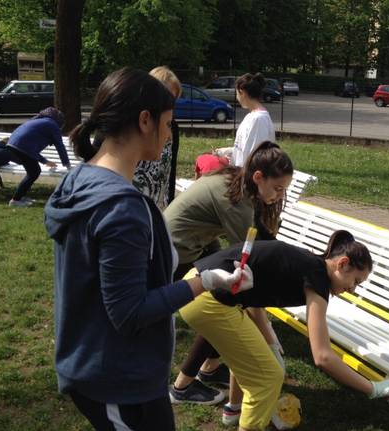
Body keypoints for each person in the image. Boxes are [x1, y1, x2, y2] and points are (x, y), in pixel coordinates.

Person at [43, 67, 252, 431]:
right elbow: (129, 312)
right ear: (145, 120)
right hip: (115, 379)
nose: (169, 134)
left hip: (116, 369)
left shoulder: (82, 177)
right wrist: (204, 282)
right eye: (168, 123)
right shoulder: (120, 207)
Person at [179, 230, 389, 431]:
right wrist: (373, 388)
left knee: (253, 357)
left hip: (196, 284)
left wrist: (269, 339)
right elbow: (322, 357)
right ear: (343, 263)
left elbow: (254, 300)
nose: (353, 289)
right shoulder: (318, 278)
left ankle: (234, 410)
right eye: (356, 281)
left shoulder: (309, 263)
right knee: (268, 377)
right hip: (208, 299)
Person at [164, 141, 293, 408]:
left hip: (194, 242)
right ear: (259, 177)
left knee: (220, 304)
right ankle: (181, 388)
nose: (280, 196)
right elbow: (250, 261)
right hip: (175, 251)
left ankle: (209, 368)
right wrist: (268, 333)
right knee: (217, 307)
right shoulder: (239, 204)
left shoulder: (237, 180)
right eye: (277, 188)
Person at [133, 66, 182, 211]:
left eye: (173, 100)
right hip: (136, 200)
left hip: (160, 204)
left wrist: (170, 203)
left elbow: (170, 169)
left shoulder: (173, 127)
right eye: (166, 97)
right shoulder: (136, 123)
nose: (168, 105)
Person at [0, 107, 70, 206]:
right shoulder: (52, 125)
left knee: (32, 172)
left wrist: (45, 161)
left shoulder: (39, 121)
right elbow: (60, 145)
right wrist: (67, 164)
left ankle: (20, 197)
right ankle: (15, 200)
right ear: (59, 120)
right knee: (34, 172)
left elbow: (30, 151)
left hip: (12, 145)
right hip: (22, 147)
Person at [231, 73, 275, 167]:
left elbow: (255, 156)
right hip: (241, 172)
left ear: (242, 92)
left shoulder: (259, 119)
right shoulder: (251, 116)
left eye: (237, 93)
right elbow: (243, 148)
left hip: (250, 177)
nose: (237, 97)